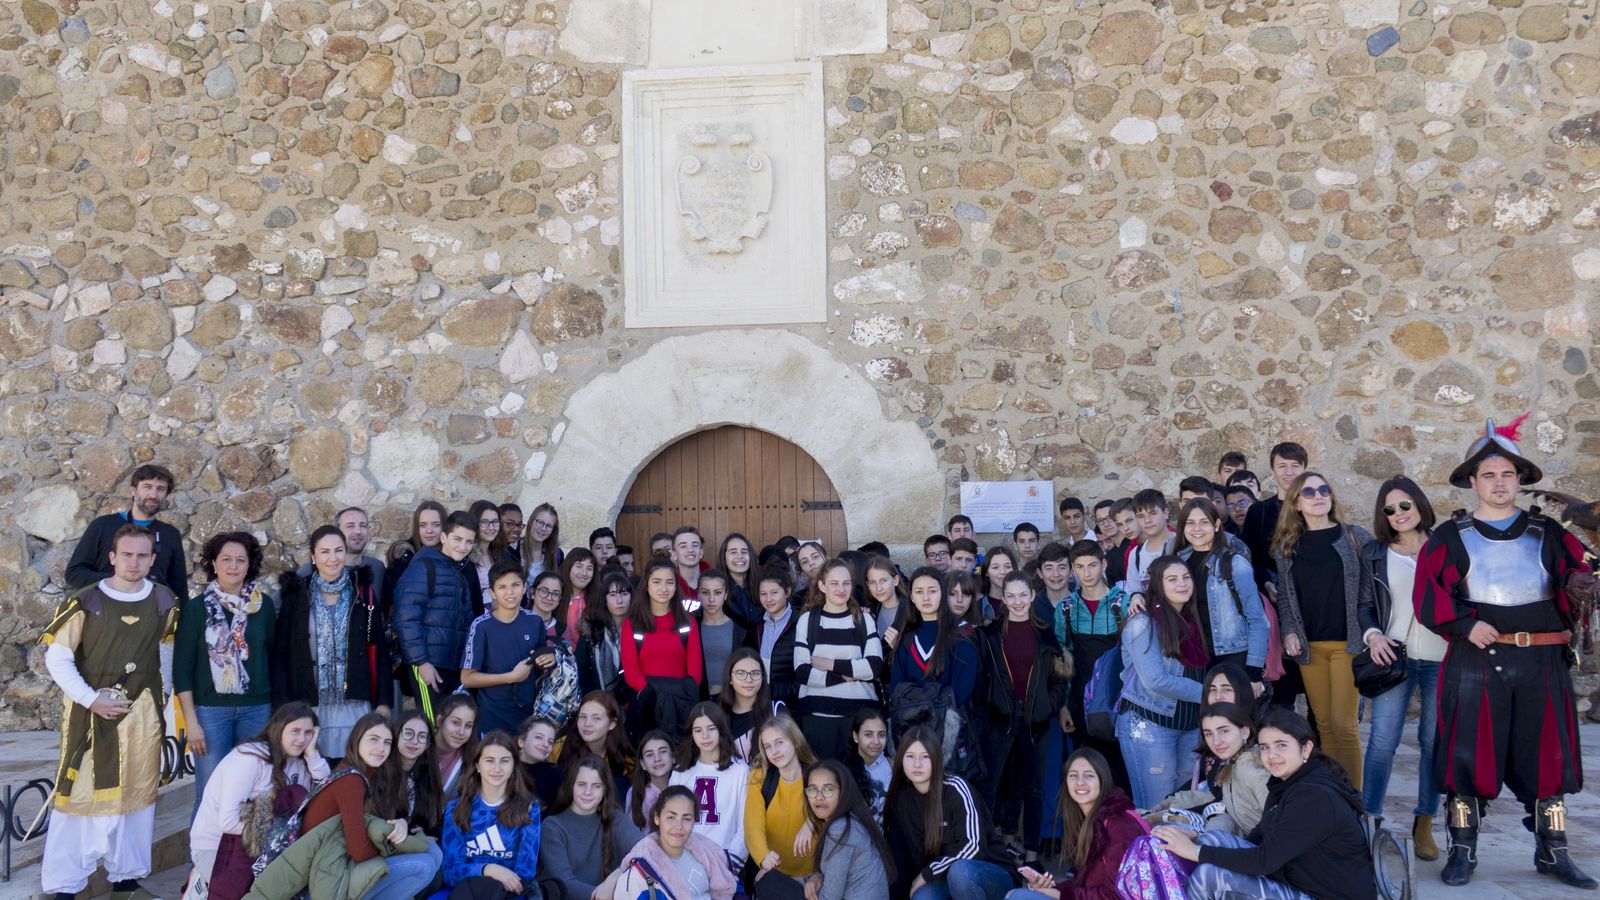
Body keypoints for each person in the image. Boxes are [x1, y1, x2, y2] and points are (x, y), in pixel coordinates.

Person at [1417, 418, 1599, 888]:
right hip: (1477, 662)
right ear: (1472, 482)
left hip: (1543, 662)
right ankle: (1462, 850)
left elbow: (1578, 577)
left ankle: (1552, 852)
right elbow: (1428, 596)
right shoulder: (1450, 537)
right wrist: (1464, 623)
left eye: (1507, 475)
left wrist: (1583, 583)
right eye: (1489, 475)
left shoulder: (1550, 533)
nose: (1499, 483)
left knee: (1548, 759)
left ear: (1519, 480)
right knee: (1466, 755)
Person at [41, 524, 180, 900]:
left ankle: (127, 883)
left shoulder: (164, 600)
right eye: (128, 555)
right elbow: (57, 658)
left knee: (136, 798)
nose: (134, 562)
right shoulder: (86, 600)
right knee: (80, 799)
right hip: (91, 715)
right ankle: (64, 889)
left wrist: (163, 696)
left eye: (142, 556)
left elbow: (165, 650)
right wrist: (90, 699)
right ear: (112, 557)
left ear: (152, 560)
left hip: (141, 717)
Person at [1154, 708, 1377, 900]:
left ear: (1306, 748)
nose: (1272, 755)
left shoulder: (1315, 797)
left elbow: (1264, 861)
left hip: (1326, 895)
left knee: (1210, 877)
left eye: (1281, 745)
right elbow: (1256, 839)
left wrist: (1197, 852)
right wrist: (1200, 840)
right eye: (1264, 747)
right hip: (1297, 877)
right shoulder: (1286, 782)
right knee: (1215, 838)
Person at [1356, 475, 1445, 861]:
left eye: (1405, 505)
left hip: (1443, 656)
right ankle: (1370, 819)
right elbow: (1363, 605)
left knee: (1433, 742)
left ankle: (1425, 820)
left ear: (1420, 505)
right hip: (1395, 656)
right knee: (1382, 741)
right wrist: (1374, 636)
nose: (1398, 514)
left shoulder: (1446, 546)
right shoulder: (1376, 552)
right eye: (1389, 509)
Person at [1270, 472, 1374, 785]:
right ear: (1296, 504)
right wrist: (1289, 630)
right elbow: (1286, 599)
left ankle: (1354, 799)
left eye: (1323, 489)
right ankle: (1333, 793)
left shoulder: (1355, 537)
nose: (1318, 495)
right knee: (1324, 726)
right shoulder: (1287, 547)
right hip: (1310, 646)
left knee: (1345, 725)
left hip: (1349, 644)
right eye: (1309, 492)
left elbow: (1372, 589)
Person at [175, 531, 277, 814]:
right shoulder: (197, 609)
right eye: (227, 559)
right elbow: (182, 669)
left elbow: (271, 654)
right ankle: (201, 858)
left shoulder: (263, 606)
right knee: (210, 791)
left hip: (256, 709)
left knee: (255, 789)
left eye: (241, 560)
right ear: (214, 564)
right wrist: (192, 724)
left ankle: (249, 855)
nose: (234, 566)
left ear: (249, 565)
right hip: (211, 712)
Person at [273, 525, 393, 759]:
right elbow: (281, 654)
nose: (332, 558)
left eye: (338, 550)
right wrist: (282, 704)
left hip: (354, 704)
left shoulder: (362, 594)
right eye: (324, 551)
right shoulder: (296, 595)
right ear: (313, 557)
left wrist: (384, 702)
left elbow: (379, 651)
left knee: (355, 769)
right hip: (310, 705)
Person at [188, 703, 327, 900]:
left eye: (308, 733)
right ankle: (200, 885)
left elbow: (325, 792)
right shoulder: (249, 757)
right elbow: (227, 822)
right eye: (295, 731)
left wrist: (312, 754)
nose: (301, 739)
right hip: (217, 846)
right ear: (278, 729)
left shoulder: (300, 762)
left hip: (267, 846)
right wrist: (278, 836)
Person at [299, 713, 443, 900]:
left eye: (386, 742)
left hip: (343, 863)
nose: (380, 748)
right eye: (373, 740)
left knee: (434, 853)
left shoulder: (370, 773)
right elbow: (358, 850)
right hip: (325, 875)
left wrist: (401, 827)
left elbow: (373, 828)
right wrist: (399, 843)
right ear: (357, 740)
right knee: (424, 865)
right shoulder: (351, 780)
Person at [978, 572, 1069, 862]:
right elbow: (982, 676)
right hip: (999, 719)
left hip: (1036, 721)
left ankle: (1031, 852)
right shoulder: (990, 634)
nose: (1017, 602)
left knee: (1033, 787)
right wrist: (989, 704)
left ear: (1032, 596)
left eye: (1023, 595)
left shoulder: (1044, 632)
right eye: (1011, 596)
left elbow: (1058, 678)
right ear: (1003, 599)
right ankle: (989, 848)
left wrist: (1049, 705)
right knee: (995, 784)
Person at [1115, 556, 1208, 809]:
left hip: (1189, 724)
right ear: (1158, 585)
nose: (1182, 584)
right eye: (1172, 579)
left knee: (1183, 808)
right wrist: (1208, 694)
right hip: (1150, 724)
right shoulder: (1143, 623)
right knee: (1154, 809)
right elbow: (1155, 680)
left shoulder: (1192, 620)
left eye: (1186, 577)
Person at [883, 727, 1013, 900]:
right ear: (900, 760)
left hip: (986, 875)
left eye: (925, 757)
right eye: (910, 756)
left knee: (960, 872)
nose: (917, 764)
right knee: (923, 897)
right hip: (942, 881)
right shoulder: (900, 799)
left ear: (936, 758)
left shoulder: (955, 788)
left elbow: (974, 846)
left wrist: (928, 872)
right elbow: (900, 859)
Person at [1004, 749, 1141, 900]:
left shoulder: (1120, 825)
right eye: (1073, 775)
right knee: (1023, 894)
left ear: (1103, 780)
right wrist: (1048, 888)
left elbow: (1117, 895)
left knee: (1019, 896)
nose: (1080, 782)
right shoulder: (1088, 821)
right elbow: (1083, 884)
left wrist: (1061, 894)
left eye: (1089, 776)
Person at [794, 558, 887, 760]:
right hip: (818, 717)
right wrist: (847, 675)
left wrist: (828, 664)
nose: (841, 589)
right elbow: (803, 672)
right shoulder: (807, 620)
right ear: (822, 586)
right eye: (834, 583)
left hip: (858, 718)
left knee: (858, 783)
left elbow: (874, 667)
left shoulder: (864, 620)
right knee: (823, 779)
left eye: (846, 583)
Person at [393, 511, 479, 722]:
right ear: (443, 538)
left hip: (451, 669)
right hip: (428, 665)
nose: (463, 546)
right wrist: (422, 662)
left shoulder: (459, 576)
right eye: (457, 539)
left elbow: (467, 625)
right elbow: (406, 617)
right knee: (432, 726)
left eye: (469, 542)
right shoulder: (424, 567)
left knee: (447, 727)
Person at [1174, 498, 1270, 689]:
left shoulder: (1234, 564)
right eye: (1190, 523)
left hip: (1233, 657)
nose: (1197, 528)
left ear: (1217, 525)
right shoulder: (1178, 562)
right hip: (1195, 659)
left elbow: (1258, 619)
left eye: (1204, 522)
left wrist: (1254, 671)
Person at [439, 732, 540, 900]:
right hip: (466, 891)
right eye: (489, 760)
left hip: (508, 892)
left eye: (505, 761)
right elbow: (450, 871)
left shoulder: (528, 807)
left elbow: (526, 870)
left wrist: (500, 881)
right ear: (478, 765)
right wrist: (488, 869)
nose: (497, 768)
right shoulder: (456, 808)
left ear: (514, 765)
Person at [66, 464, 189, 601]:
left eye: (160, 489)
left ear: (166, 495)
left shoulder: (170, 534)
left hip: (151, 617)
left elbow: (179, 588)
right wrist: (119, 582)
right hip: (103, 612)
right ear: (133, 490)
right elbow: (74, 573)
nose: (153, 495)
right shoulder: (102, 526)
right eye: (147, 487)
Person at [596, 787, 738, 900]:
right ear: (657, 818)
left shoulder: (707, 851)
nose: (679, 826)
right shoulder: (640, 870)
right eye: (671, 817)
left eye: (686, 818)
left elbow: (735, 889)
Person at [462, 561, 552, 736]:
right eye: (502, 587)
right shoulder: (481, 626)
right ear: (492, 593)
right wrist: (511, 677)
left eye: (515, 585)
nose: (510, 592)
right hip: (492, 718)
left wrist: (549, 658)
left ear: (525, 587)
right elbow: (467, 678)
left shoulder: (534, 621)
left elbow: (540, 660)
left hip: (528, 715)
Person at [1151, 703, 1269, 836]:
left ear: (1244, 732)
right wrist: (1167, 804)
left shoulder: (1253, 769)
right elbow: (1214, 799)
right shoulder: (1231, 763)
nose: (1216, 741)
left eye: (1224, 731)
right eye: (1208, 734)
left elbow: (1280, 822)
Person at [621, 558, 704, 740]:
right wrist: (651, 696)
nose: (663, 588)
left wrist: (678, 697)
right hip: (646, 705)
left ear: (676, 586)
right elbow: (630, 669)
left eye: (669, 582)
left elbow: (695, 672)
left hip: (680, 707)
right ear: (647, 586)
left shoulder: (687, 622)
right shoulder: (633, 624)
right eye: (657, 582)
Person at [541, 755, 645, 900]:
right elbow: (564, 884)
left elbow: (645, 851)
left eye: (596, 786)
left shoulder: (615, 818)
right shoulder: (552, 826)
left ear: (605, 790)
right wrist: (605, 895)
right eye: (581, 784)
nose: (588, 792)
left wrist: (615, 877)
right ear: (571, 785)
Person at [745, 715, 820, 900]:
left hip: (811, 875)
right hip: (773, 873)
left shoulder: (817, 774)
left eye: (779, 742)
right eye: (768, 746)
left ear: (795, 741)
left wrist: (810, 823)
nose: (774, 751)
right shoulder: (759, 777)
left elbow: (835, 812)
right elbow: (752, 824)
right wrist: (763, 857)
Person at [668, 702, 751, 866]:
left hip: (725, 858)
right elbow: (670, 821)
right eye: (697, 730)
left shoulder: (739, 770)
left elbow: (745, 825)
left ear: (721, 730)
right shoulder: (680, 772)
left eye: (711, 728)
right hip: (686, 859)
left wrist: (729, 864)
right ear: (691, 734)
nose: (704, 736)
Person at [891, 567, 981, 707]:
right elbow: (897, 688)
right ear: (912, 597)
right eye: (919, 592)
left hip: (950, 722)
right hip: (910, 722)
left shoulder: (962, 633)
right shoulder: (907, 637)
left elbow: (963, 690)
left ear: (943, 593)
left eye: (932, 591)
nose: (926, 597)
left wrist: (933, 716)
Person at [803, 760, 892, 900]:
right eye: (812, 789)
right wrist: (816, 876)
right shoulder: (849, 818)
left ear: (843, 791)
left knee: (771, 883)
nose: (819, 797)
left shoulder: (841, 828)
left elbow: (829, 898)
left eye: (828, 789)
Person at [556, 691, 636, 796]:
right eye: (583, 717)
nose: (587, 724)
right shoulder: (560, 747)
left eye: (596, 718)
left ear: (612, 723)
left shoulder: (625, 759)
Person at [381, 501, 447, 616]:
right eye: (423, 525)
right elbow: (390, 602)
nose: (429, 530)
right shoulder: (404, 559)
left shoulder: (454, 559)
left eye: (436, 524)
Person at [296, 507, 386, 589]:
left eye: (363, 525)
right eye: (350, 526)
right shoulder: (310, 572)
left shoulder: (377, 568)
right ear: (338, 531)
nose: (358, 531)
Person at [719, 647, 781, 760]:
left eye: (755, 673)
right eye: (740, 673)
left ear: (763, 677)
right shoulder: (716, 712)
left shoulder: (776, 709)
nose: (749, 679)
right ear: (730, 678)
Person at [754, 566, 803, 707]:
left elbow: (804, 678)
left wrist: (769, 690)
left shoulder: (801, 623)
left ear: (787, 591)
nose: (768, 599)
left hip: (793, 706)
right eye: (763, 594)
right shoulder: (757, 624)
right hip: (761, 704)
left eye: (774, 592)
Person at [577, 570, 629, 696]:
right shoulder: (590, 636)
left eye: (624, 593)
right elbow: (583, 678)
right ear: (604, 599)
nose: (619, 600)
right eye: (612, 594)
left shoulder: (641, 631)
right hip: (599, 703)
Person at [394, 711, 445, 837]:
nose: (414, 741)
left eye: (422, 736)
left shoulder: (427, 773)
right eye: (408, 733)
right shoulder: (382, 770)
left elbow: (432, 821)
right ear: (396, 734)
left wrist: (424, 831)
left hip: (411, 841)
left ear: (428, 744)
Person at [697, 570, 745, 695]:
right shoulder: (691, 627)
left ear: (725, 594)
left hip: (730, 698)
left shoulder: (740, 629)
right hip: (698, 699)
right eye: (705, 592)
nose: (711, 599)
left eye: (717, 593)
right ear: (698, 595)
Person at [1122, 489, 1175, 598]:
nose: (1147, 520)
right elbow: (1134, 589)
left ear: (1165, 513)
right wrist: (1136, 596)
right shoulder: (1136, 554)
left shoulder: (1182, 545)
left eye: (1153, 513)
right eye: (1141, 516)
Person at [841, 708, 891, 818]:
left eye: (881, 735)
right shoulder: (842, 770)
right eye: (868, 735)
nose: (876, 741)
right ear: (856, 736)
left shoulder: (893, 766)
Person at [628, 731, 676, 830]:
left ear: (673, 757)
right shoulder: (636, 792)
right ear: (643, 764)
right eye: (649, 755)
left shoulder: (687, 786)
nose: (657, 759)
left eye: (662, 751)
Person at [435, 695, 480, 798]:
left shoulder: (472, 756)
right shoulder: (419, 746)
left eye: (468, 726)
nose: (461, 732)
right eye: (455, 723)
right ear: (439, 721)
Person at [515, 716, 564, 809]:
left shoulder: (554, 775)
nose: (545, 744)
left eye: (550, 742)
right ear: (521, 741)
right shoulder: (507, 767)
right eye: (538, 737)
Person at [558, 548, 600, 646]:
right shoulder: (556, 595)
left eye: (589, 568)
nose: (584, 573)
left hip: (586, 657)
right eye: (579, 566)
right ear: (568, 567)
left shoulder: (596, 599)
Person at [864, 556, 907, 649]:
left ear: (895, 580)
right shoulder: (870, 611)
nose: (878, 588)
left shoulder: (912, 612)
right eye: (872, 582)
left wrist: (899, 647)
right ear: (868, 585)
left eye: (883, 580)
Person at [467, 500, 502, 612]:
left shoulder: (499, 554)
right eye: (484, 522)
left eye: (495, 522)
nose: (491, 527)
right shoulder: (466, 555)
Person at [521, 503, 562, 581]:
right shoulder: (513, 551)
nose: (543, 529)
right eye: (540, 522)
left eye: (549, 526)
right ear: (531, 521)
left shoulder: (556, 555)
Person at [673, 526, 711, 608]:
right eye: (683, 546)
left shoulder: (715, 580)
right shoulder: (670, 585)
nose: (690, 550)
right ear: (674, 555)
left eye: (695, 545)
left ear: (701, 553)